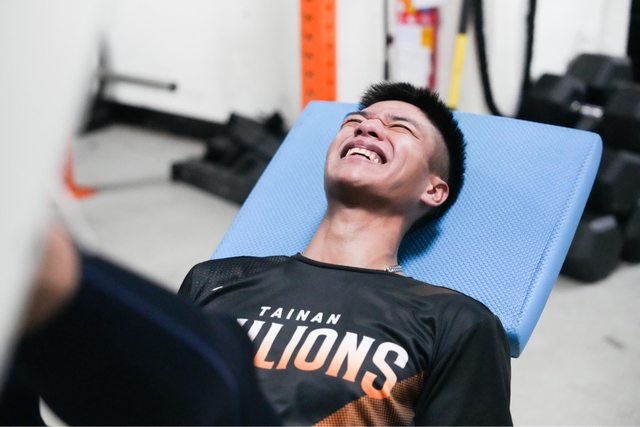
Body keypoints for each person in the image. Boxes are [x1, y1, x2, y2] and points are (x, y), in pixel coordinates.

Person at [2, 82, 511, 426]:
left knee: (224, 369)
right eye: (356, 121)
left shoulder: (455, 320)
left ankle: (44, 272)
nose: (366, 127)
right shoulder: (217, 279)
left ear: (433, 190)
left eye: (400, 127)